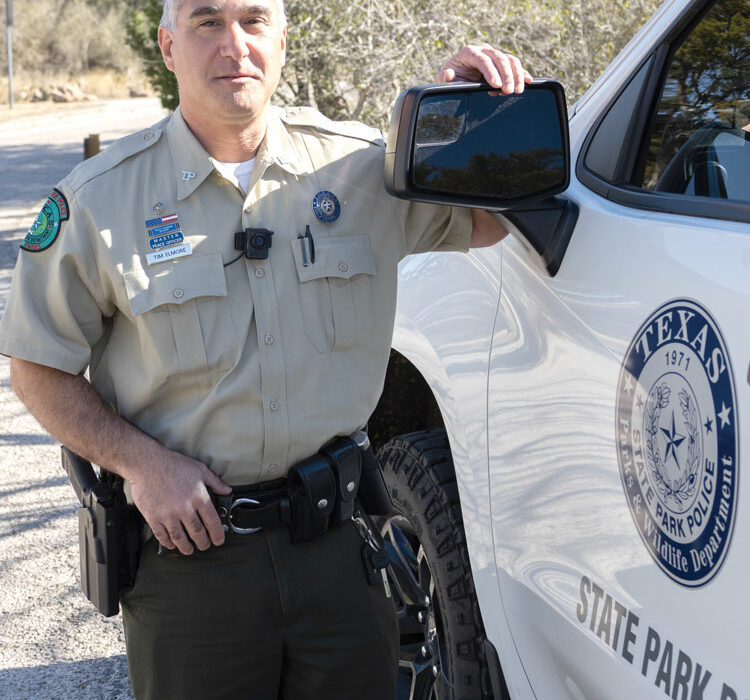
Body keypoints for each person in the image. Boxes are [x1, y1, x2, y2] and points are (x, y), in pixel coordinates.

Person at [0, 0, 530, 697]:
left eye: (254, 21)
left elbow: (488, 225)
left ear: (282, 42)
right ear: (167, 47)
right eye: (207, 22)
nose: (234, 45)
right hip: (191, 565)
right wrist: (140, 463)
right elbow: (38, 366)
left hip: (341, 551)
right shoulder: (102, 200)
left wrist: (464, 116)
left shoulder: (362, 168)